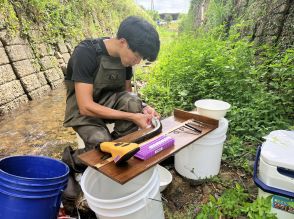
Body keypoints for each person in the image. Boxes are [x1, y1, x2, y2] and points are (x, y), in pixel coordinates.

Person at [61, 16, 160, 210]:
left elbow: (127, 95)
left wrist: (143, 108)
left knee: (132, 106)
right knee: (101, 143)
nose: (137, 61)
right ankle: (70, 160)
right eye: (137, 56)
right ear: (123, 42)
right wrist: (132, 117)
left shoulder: (126, 60)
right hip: (84, 109)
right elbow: (85, 106)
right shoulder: (86, 53)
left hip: (109, 102)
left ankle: (114, 152)